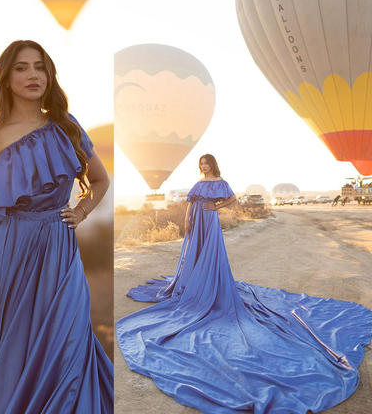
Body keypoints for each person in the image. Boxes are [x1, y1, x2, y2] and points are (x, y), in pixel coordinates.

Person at [117, 154, 372, 414]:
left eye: (207, 164)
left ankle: (209, 284)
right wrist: (186, 219)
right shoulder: (199, 182)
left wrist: (216, 208)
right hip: (196, 218)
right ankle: (191, 283)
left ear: (213, 165)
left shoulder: (220, 181)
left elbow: (232, 198)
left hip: (210, 220)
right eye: (201, 164)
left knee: (210, 254)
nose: (204, 167)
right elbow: (190, 202)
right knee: (193, 253)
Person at [0, 40, 114, 413]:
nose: (33, 75)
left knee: (68, 340)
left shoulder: (67, 127)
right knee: (6, 352)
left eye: (40, 67)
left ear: (50, 75)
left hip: (58, 255)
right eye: (21, 67)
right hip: (4, 259)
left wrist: (80, 213)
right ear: (6, 77)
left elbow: (101, 181)